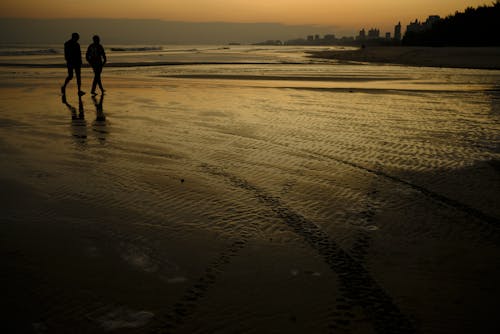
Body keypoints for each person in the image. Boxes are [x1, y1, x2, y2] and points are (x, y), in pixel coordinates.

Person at [62, 32, 85, 97]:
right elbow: (66, 54)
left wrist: (80, 61)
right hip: (71, 62)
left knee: (78, 76)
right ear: (74, 37)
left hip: (77, 62)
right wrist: (68, 61)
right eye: (77, 38)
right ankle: (64, 86)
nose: (78, 39)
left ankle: (79, 90)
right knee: (70, 76)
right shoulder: (67, 44)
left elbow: (79, 54)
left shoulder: (77, 44)